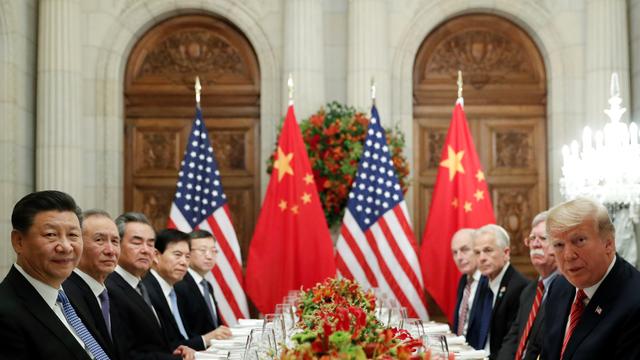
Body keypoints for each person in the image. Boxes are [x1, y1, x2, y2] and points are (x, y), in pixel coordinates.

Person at [0, 190, 110, 360]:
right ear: (18, 241)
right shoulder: (6, 313)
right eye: (51, 235)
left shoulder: (73, 293)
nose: (66, 247)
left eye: (73, 235)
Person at [541, 198, 640, 359]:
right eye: (559, 245)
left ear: (608, 244)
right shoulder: (559, 287)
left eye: (579, 241)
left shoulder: (635, 302)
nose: (568, 255)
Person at [105, 212, 194, 360]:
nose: (146, 250)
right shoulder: (110, 288)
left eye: (150, 243)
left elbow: (151, 342)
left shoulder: (142, 285)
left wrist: (175, 350)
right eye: (137, 242)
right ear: (117, 244)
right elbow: (127, 354)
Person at [143, 229, 225, 351]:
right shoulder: (146, 291)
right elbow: (162, 346)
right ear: (156, 256)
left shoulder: (172, 289)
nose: (184, 262)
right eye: (177, 255)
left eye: (187, 257)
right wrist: (205, 340)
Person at [497, 211, 558, 360]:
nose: (535, 244)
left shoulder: (567, 291)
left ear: (559, 244)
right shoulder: (529, 291)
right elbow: (512, 339)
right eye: (532, 238)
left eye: (543, 238)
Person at [63, 209, 122, 359]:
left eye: (115, 241)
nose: (110, 250)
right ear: (78, 244)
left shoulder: (111, 293)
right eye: (99, 240)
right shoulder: (66, 295)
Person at [471, 224, 528, 359]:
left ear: (506, 253)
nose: (482, 258)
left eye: (488, 250)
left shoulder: (519, 287)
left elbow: (512, 343)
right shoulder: (484, 283)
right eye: (477, 253)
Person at [175, 229, 231, 339]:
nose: (209, 256)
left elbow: (214, 326)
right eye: (203, 250)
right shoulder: (179, 284)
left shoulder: (207, 285)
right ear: (188, 253)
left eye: (213, 251)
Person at [450, 228, 485, 343]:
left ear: (477, 250)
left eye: (465, 250)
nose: (459, 257)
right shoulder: (464, 280)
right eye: (455, 252)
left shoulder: (488, 281)